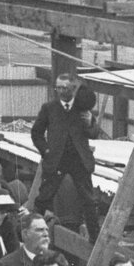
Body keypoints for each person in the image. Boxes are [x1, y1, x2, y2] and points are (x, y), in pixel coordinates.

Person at [31, 69, 100, 226]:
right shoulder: (49, 108)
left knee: (89, 200)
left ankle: (94, 238)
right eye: (58, 88)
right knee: (44, 197)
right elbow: (36, 133)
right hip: (56, 161)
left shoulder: (82, 109)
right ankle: (32, 229)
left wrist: (89, 122)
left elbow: (95, 134)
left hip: (79, 161)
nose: (61, 92)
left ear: (72, 89)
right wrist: (46, 151)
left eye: (65, 88)